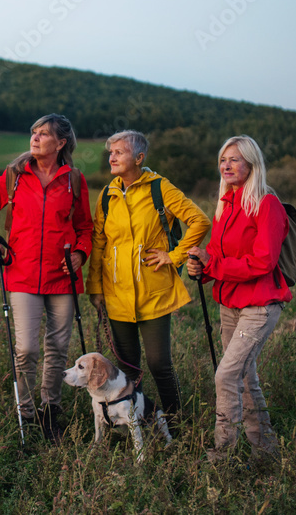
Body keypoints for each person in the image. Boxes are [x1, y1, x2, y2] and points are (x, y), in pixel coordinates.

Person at [85, 130, 210, 436]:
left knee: (159, 364)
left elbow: (200, 221)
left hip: (154, 291)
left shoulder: (160, 188)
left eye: (120, 152)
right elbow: (99, 242)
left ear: (139, 158)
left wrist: (174, 256)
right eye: (111, 152)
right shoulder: (107, 195)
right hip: (116, 293)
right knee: (128, 367)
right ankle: (137, 427)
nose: (112, 157)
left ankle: (177, 427)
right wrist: (95, 287)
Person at [0, 114, 93, 443]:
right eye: (34, 132)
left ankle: (50, 411)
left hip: (62, 276)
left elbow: (85, 227)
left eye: (44, 134)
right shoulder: (14, 175)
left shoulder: (74, 180)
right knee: (26, 349)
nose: (36, 138)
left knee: (57, 348)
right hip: (22, 273)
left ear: (61, 143)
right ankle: (26, 412)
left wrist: (80, 253)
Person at [186, 135, 292, 463]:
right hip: (230, 304)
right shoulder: (226, 204)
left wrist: (213, 265)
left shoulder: (266, 204)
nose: (227, 165)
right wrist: (200, 267)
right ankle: (266, 451)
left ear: (251, 163)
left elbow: (263, 261)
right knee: (244, 377)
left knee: (226, 376)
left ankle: (222, 454)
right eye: (223, 159)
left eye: (235, 159)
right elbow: (216, 254)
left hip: (260, 306)